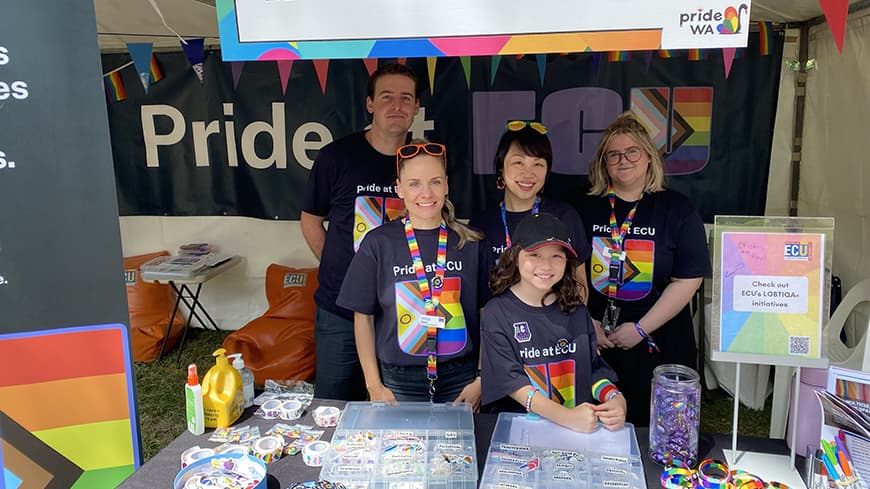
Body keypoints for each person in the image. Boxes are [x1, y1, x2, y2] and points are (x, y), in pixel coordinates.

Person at [580, 111, 710, 426]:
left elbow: (687, 279)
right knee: (599, 423)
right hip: (597, 336)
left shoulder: (677, 209)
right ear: (603, 163)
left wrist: (640, 329)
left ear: (649, 157)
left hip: (658, 338)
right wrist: (589, 325)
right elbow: (573, 271)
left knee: (660, 427)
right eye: (614, 154)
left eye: (632, 151)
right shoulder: (584, 208)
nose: (623, 160)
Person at [300, 63, 420, 401]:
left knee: (394, 411)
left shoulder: (421, 161)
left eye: (405, 98)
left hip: (400, 312)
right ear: (369, 104)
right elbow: (310, 220)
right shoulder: (336, 157)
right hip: (340, 310)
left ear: (415, 109)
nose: (396, 106)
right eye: (386, 97)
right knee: (335, 407)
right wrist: (346, 273)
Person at [336, 141, 483, 406]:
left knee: (456, 449)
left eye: (435, 182)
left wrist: (481, 380)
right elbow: (363, 318)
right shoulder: (378, 244)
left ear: (447, 185)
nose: (426, 193)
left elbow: (488, 315)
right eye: (414, 183)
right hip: (399, 382)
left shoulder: (469, 244)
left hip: (461, 379)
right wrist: (374, 386)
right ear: (399, 188)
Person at [480, 212, 626, 432]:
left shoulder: (576, 310)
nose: (546, 265)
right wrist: (566, 417)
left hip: (575, 434)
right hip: (522, 434)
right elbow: (512, 383)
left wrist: (614, 397)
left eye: (556, 256)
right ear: (515, 257)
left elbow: (593, 371)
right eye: (535, 255)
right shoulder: (497, 313)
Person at [469, 121, 591, 306]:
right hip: (499, 331)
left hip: (555, 330)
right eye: (518, 162)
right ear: (501, 166)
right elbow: (477, 300)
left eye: (538, 164)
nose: (528, 173)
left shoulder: (564, 216)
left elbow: (580, 287)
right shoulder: (481, 224)